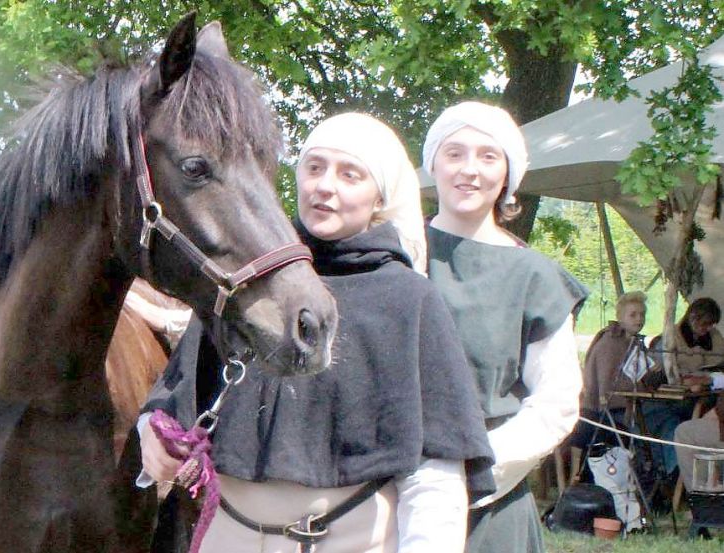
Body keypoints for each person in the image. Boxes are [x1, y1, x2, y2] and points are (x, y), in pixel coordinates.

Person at [139, 112, 495, 552]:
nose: (325, 185)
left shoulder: (409, 301)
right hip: (227, 536)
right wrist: (150, 432)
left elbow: (434, 468)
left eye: (350, 174)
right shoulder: (243, 281)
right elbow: (177, 395)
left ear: (378, 197)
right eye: (314, 167)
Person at [421, 101, 588, 553]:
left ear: (508, 175)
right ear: (432, 162)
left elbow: (555, 404)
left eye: (488, 156)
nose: (469, 170)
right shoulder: (394, 256)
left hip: (487, 505)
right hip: (384, 493)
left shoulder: (535, 277)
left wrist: (473, 472)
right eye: (454, 153)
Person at [568, 291, 651, 480]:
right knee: (645, 429)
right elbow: (605, 388)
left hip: (622, 406)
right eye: (633, 314)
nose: (639, 319)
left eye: (642, 314)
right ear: (620, 318)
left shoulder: (633, 342)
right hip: (600, 411)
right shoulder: (611, 343)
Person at [640, 297, 724, 476]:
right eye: (705, 324)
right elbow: (658, 375)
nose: (708, 329)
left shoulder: (715, 338)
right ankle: (676, 471)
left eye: (711, 325)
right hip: (680, 397)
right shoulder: (670, 338)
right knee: (671, 422)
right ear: (693, 318)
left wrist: (708, 379)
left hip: (708, 395)